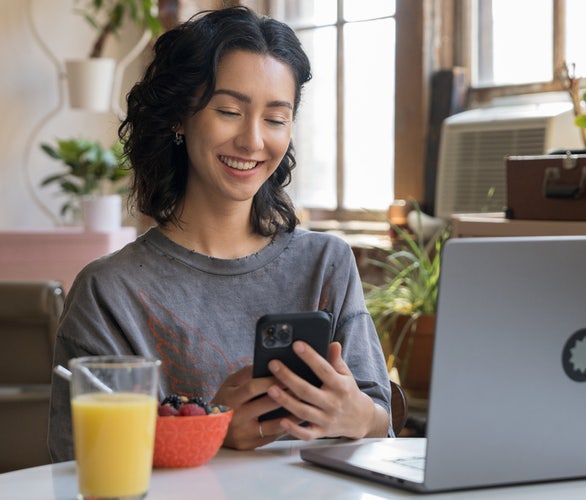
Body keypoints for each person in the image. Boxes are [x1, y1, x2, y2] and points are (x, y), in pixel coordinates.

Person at [48, 6, 392, 462]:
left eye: (275, 118)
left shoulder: (326, 263)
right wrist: (212, 427)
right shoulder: (110, 291)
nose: (253, 141)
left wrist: (361, 417)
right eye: (229, 110)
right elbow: (82, 463)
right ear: (179, 118)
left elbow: (379, 416)